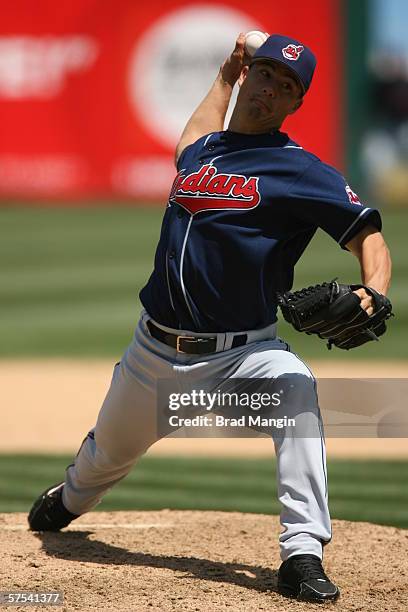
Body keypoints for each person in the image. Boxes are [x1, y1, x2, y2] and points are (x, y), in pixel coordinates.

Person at [28, 33, 392, 603]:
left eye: (286, 86)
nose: (270, 89)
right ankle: (71, 498)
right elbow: (188, 140)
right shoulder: (206, 151)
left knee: (295, 389)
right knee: (103, 461)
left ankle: (302, 553)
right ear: (249, 77)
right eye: (266, 74)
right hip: (152, 355)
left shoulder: (300, 170)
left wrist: (375, 290)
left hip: (240, 358)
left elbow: (367, 233)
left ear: (296, 104)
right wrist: (225, 73)